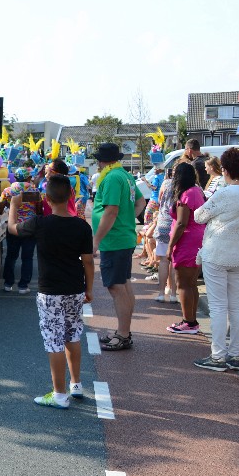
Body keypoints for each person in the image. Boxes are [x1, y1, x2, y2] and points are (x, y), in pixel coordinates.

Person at [7, 175, 94, 408]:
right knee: (72, 335)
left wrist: (14, 206)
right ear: (71, 197)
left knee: (53, 340)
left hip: (50, 292)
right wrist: (89, 288)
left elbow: (13, 229)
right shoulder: (82, 226)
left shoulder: (40, 223)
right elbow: (88, 261)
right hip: (75, 288)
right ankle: (76, 384)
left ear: (46, 198)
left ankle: (59, 394)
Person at [191, 147, 239, 370]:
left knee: (218, 306)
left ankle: (218, 356)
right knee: (237, 306)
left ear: (224, 170)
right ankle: (236, 355)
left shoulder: (224, 193)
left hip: (217, 254)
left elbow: (199, 216)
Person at [90, 143, 138, 351]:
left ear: (102, 161)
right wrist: (128, 219)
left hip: (115, 240)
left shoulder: (111, 178)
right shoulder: (125, 175)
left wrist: (96, 240)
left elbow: (110, 211)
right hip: (123, 236)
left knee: (116, 287)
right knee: (124, 285)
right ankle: (123, 331)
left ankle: (124, 334)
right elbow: (140, 203)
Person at [165, 162, 206, 335]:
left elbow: (181, 223)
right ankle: (192, 320)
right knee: (191, 284)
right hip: (198, 238)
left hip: (187, 241)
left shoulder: (185, 194)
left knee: (182, 284)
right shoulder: (197, 190)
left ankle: (188, 322)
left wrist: (170, 247)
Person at [0, 167, 43, 294]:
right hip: (30, 227)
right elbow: (39, 210)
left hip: (13, 226)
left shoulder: (8, 191)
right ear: (29, 178)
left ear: (16, 178)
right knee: (27, 257)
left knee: (11, 256)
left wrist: (8, 205)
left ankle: (8, 284)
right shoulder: (34, 190)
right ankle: (23, 286)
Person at [150, 166, 179, 304]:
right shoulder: (187, 185)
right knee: (174, 262)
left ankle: (161, 293)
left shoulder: (166, 183)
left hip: (163, 224)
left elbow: (160, 199)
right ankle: (173, 294)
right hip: (177, 225)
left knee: (163, 260)